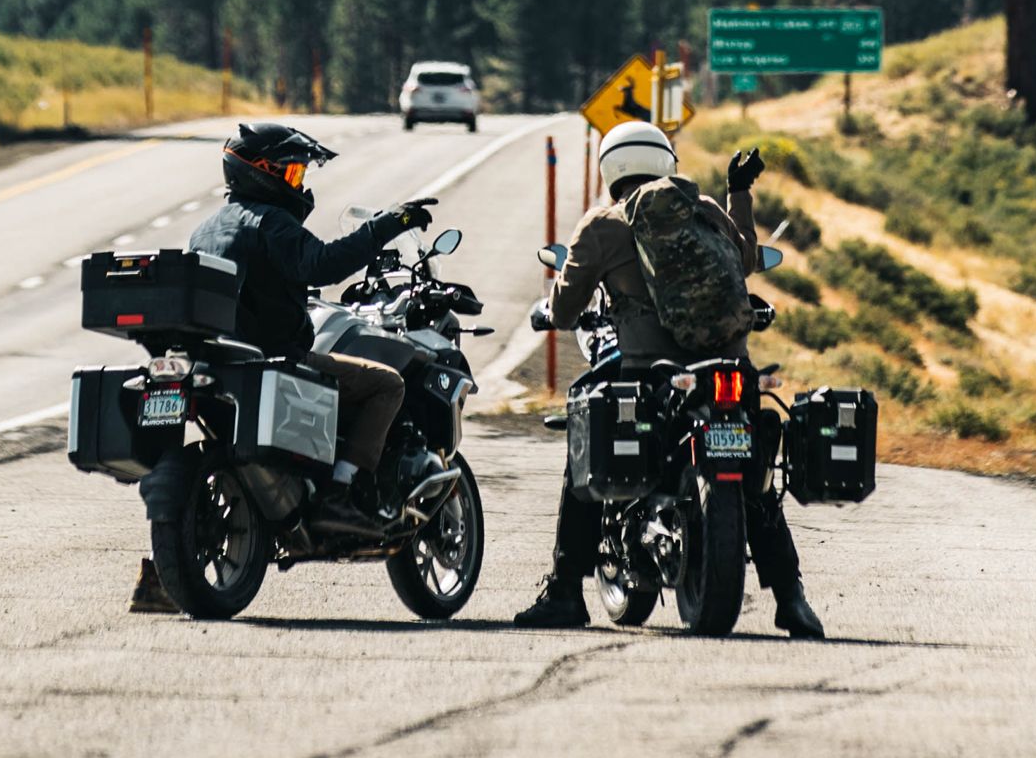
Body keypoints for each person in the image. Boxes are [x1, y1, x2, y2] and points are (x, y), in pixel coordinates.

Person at [510, 121, 824, 637]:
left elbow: (565, 310)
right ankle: (792, 599)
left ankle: (566, 591)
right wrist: (739, 193)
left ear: (611, 169)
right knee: (757, 479)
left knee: (586, 443)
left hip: (648, 372)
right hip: (729, 369)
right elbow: (747, 258)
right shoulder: (707, 212)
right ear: (666, 162)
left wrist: (552, 309)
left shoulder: (603, 225)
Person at [190, 121, 435, 522]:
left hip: (222, 363)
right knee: (388, 384)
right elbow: (323, 264)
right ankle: (342, 489)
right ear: (261, 173)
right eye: (292, 172)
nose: (299, 184)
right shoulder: (271, 221)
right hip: (278, 359)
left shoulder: (205, 231)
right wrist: (390, 224)